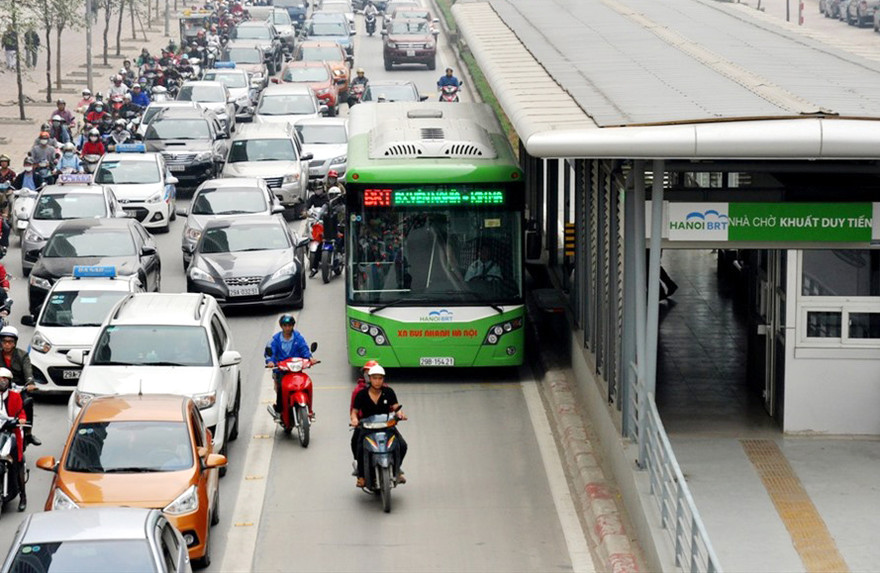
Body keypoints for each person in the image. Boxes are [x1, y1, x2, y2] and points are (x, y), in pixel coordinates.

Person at [350, 364, 407, 487]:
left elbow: (396, 407)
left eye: (380, 378)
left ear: (383, 379)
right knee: (359, 447)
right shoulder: (361, 394)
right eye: (374, 378)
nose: (377, 381)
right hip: (368, 428)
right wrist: (354, 420)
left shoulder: (389, 392)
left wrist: (400, 414)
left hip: (387, 426)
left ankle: (397, 470)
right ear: (369, 379)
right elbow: (354, 412)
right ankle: (361, 476)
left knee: (402, 445)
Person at [264, 315, 314, 420]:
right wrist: (271, 362)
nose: (287, 328)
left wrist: (310, 358)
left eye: (290, 325)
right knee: (282, 387)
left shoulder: (298, 337)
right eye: (285, 325)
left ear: (293, 326)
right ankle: (279, 410)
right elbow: (270, 353)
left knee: (307, 384)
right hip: (282, 370)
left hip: (296, 369)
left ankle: (309, 410)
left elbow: (304, 349)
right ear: (281, 326)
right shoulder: (275, 340)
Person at [0, 327, 40, 449]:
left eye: (10, 342)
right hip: (1, 388)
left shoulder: (23, 355)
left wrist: (30, 383)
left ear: (15, 342)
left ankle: (28, 433)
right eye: (4, 341)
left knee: (27, 402)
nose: (7, 344)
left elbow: (28, 372)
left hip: (18, 388)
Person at [0, 367, 28, 511]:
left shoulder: (15, 396)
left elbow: (21, 412)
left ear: (9, 381)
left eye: (5, 379)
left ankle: (23, 495)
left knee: (17, 465)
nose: (2, 382)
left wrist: (21, 419)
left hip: (12, 433)